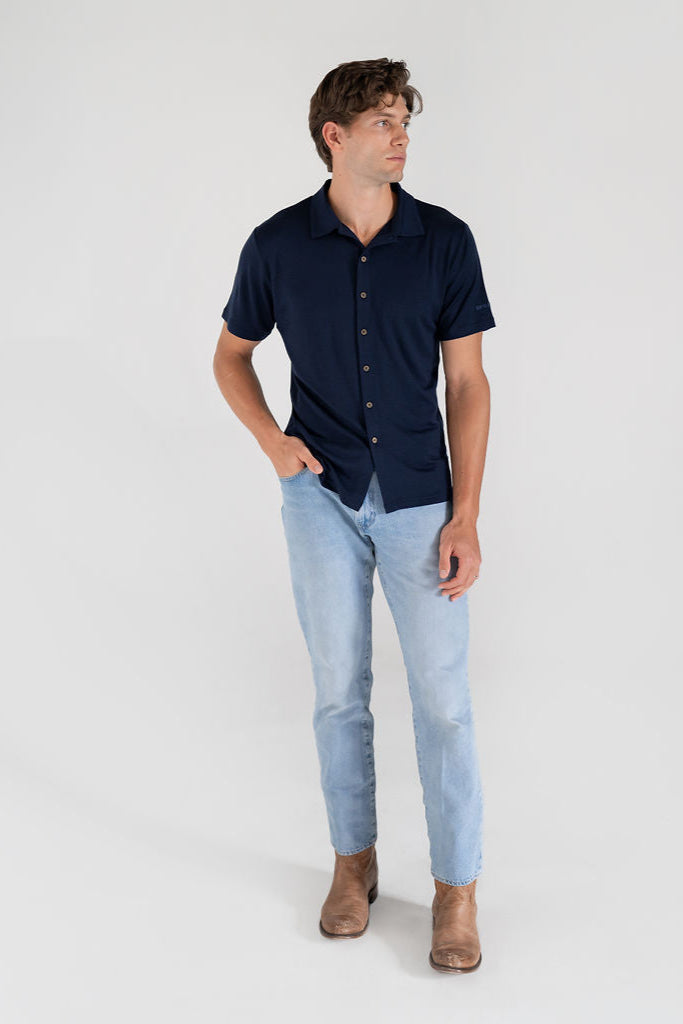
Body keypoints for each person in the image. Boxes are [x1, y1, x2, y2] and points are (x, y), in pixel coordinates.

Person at [213, 57, 496, 974]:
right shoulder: (275, 244)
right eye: (382, 120)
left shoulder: (445, 241)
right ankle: (353, 864)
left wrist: (466, 514)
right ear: (333, 136)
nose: (401, 133)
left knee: (443, 706)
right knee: (338, 694)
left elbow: (467, 381)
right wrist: (271, 442)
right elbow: (230, 356)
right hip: (320, 498)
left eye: (403, 118)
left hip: (420, 497)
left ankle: (455, 889)